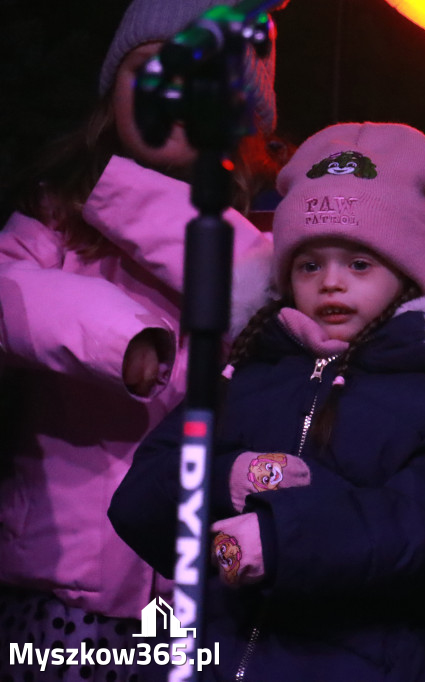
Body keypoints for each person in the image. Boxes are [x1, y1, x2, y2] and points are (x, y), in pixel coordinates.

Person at [108, 121, 425, 681]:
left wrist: (280, 535)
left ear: (407, 274)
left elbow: (421, 526)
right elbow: (137, 499)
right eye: (309, 264)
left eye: (360, 263)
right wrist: (228, 478)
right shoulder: (246, 369)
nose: (332, 283)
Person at [0, 0, 281, 679]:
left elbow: (251, 287)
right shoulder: (52, 216)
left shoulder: (267, 229)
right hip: (66, 589)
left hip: (198, 592)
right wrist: (124, 336)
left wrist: (109, 188)